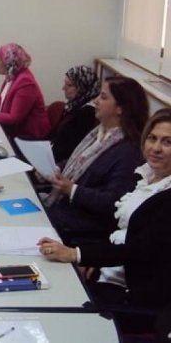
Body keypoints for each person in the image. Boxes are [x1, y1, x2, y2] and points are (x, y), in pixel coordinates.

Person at [38, 108, 171, 333]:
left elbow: (138, 250)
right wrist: (93, 257)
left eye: (167, 142)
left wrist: (77, 254)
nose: (156, 148)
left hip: (131, 295)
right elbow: (119, 228)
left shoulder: (166, 196)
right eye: (152, 138)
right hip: (107, 271)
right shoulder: (145, 176)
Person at [42, 76, 149, 242]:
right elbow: (76, 163)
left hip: (78, 226)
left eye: (103, 97)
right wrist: (53, 169)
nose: (95, 101)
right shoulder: (97, 133)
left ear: (120, 108)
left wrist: (72, 190)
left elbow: (112, 201)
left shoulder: (129, 152)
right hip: (63, 210)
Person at [48, 65, 100, 164]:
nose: (63, 88)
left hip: (59, 164)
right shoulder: (73, 105)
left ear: (82, 88)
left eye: (69, 85)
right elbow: (54, 135)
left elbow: (68, 149)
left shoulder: (87, 113)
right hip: (50, 154)